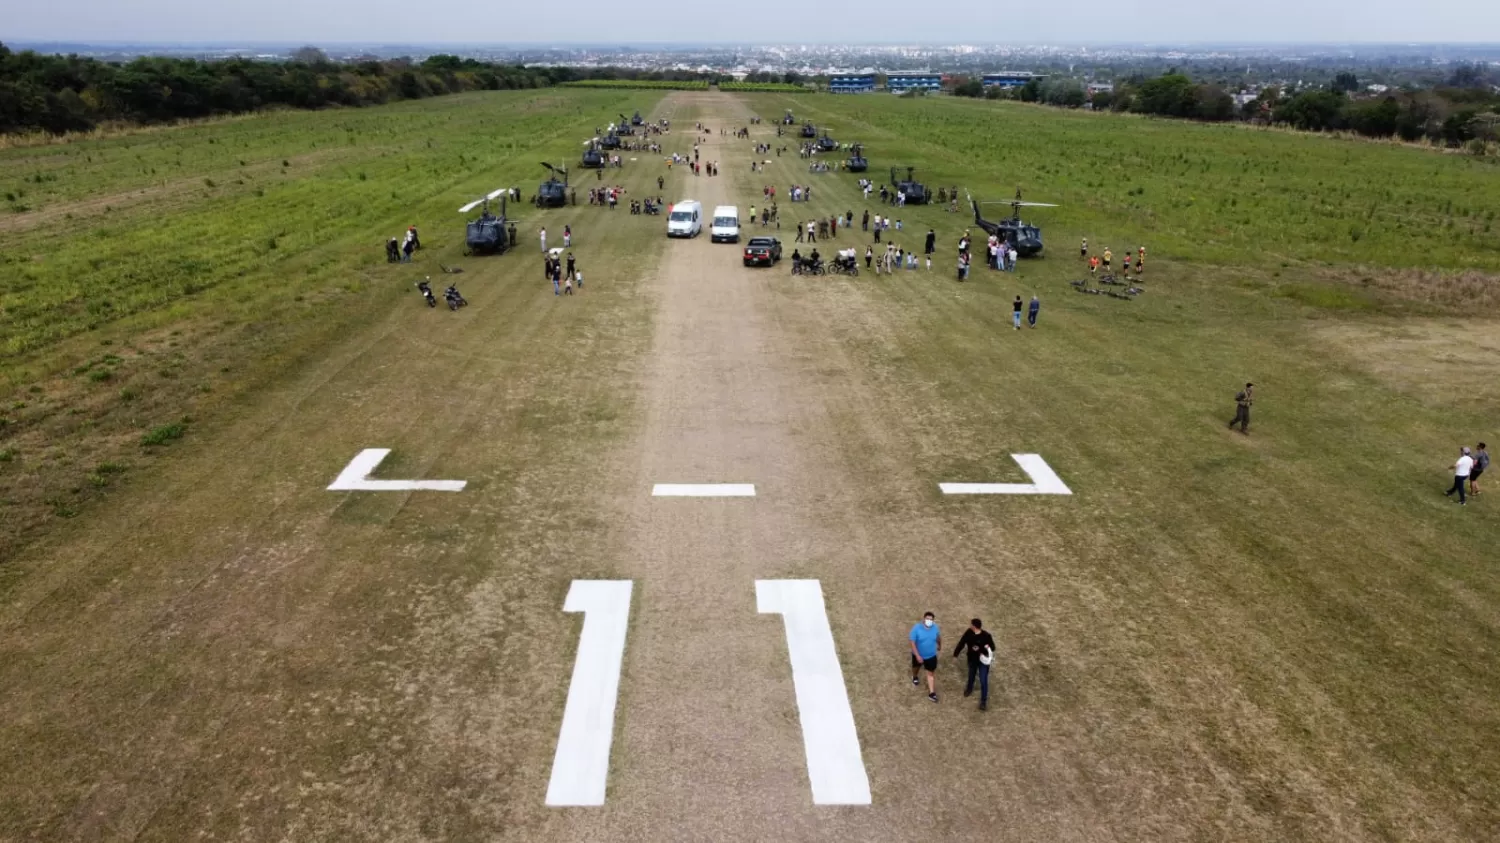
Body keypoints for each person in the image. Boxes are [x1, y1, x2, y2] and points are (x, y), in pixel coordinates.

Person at [952, 618, 997, 710]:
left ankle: (983, 702)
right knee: (971, 675)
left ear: (974, 626)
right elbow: (962, 643)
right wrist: (955, 654)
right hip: (972, 660)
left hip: (983, 662)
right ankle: (969, 689)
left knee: (983, 680)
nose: (969, 626)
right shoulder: (969, 633)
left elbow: (992, 647)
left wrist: (983, 650)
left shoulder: (986, 636)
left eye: (971, 624)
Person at [909, 611, 941, 703]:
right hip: (918, 655)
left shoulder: (935, 628)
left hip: (931, 656)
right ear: (923, 619)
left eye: (931, 619)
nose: (929, 621)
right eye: (927, 619)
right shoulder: (916, 628)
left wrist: (939, 645)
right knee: (916, 667)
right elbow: (912, 643)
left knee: (930, 674)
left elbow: (938, 637)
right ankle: (915, 676)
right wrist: (918, 655)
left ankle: (932, 693)